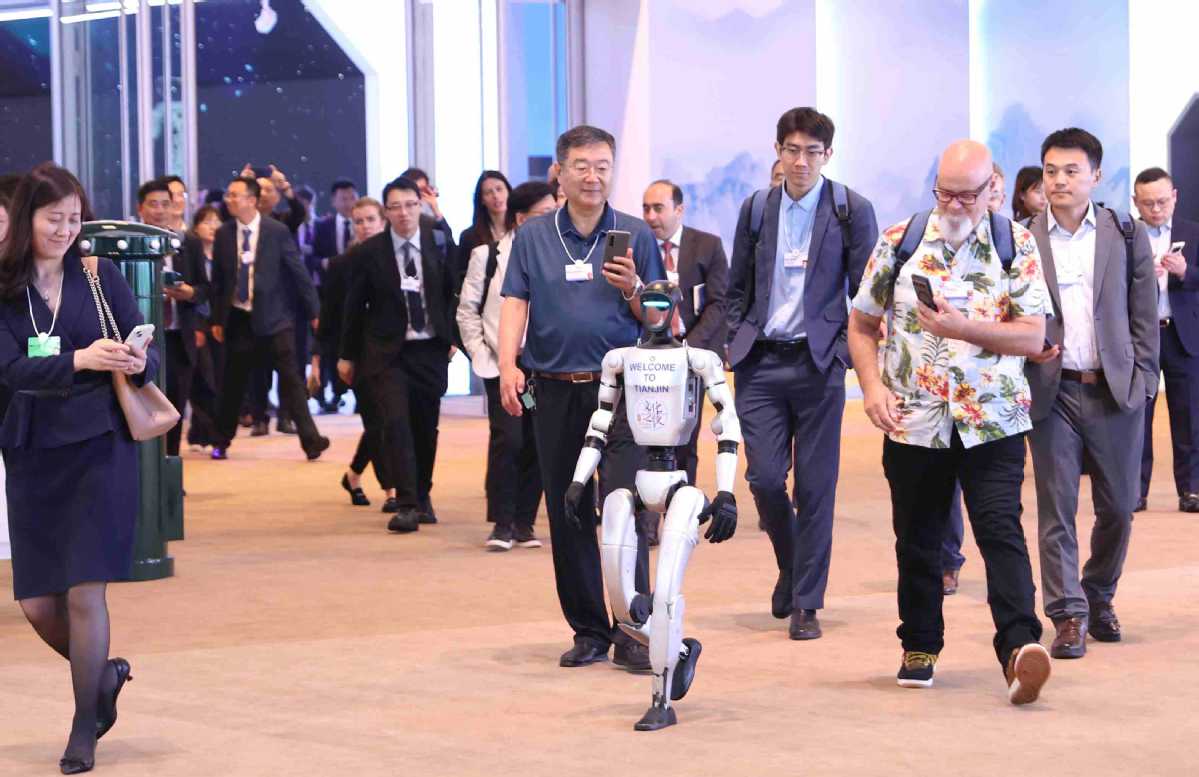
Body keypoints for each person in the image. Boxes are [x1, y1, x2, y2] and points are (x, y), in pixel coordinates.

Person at [847, 139, 1052, 704]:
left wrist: (964, 329)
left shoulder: (1016, 244)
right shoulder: (900, 241)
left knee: (1000, 531)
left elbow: (1032, 336)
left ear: (991, 190)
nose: (954, 205)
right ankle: (919, 645)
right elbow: (861, 324)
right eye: (945, 193)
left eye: (967, 195)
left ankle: (1019, 648)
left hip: (993, 419)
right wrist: (871, 388)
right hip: (914, 418)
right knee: (918, 538)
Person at [0, 163, 156, 772]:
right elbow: (10, 370)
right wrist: (80, 359)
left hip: (100, 444)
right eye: (53, 218)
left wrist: (135, 358)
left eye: (73, 218)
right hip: (33, 449)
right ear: (26, 219)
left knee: (87, 589)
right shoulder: (5, 287)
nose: (65, 230)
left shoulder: (99, 274)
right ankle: (104, 676)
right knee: (39, 603)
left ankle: (82, 726)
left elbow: (147, 362)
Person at [498, 124, 665, 670]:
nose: (593, 177)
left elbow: (660, 319)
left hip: (621, 390)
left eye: (603, 167)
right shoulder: (533, 236)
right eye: (582, 166)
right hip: (553, 388)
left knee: (624, 507)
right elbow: (515, 302)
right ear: (560, 173)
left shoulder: (634, 234)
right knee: (568, 508)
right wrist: (507, 365)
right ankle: (589, 629)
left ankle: (634, 627)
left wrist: (632, 288)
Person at [725, 107, 879, 641]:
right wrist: (736, 338)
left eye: (812, 152)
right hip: (761, 363)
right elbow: (736, 287)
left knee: (815, 488)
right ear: (778, 151)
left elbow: (867, 295)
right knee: (765, 479)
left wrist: (841, 352)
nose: (801, 161)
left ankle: (807, 602)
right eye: (792, 150)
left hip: (818, 365)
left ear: (827, 155)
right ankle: (791, 565)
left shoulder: (850, 210)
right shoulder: (756, 208)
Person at [567, 280, 740, 731]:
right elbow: (599, 424)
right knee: (624, 603)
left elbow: (727, 424)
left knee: (663, 595)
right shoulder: (620, 360)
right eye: (649, 305)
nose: (656, 312)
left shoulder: (698, 360)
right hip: (635, 481)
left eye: (663, 305)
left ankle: (661, 700)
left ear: (675, 307)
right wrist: (579, 481)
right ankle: (678, 649)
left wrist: (726, 492)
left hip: (679, 485)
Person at [1024, 128, 1158, 659]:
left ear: (1096, 176)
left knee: (1119, 507)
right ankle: (1068, 615)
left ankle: (1099, 593)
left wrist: (1145, 380)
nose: (1059, 180)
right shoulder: (1022, 238)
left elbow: (1144, 312)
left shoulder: (1124, 233)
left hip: (1115, 390)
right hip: (1051, 392)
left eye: (1071, 170)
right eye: (1050, 171)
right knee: (1056, 508)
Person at [339, 176, 457, 531]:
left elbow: (455, 291)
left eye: (410, 205)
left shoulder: (438, 241)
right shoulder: (370, 252)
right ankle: (406, 503)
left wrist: (454, 337)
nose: (404, 213)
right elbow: (353, 306)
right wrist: (347, 354)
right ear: (386, 212)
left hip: (430, 348)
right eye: (395, 207)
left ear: (419, 206)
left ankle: (423, 495)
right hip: (387, 352)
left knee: (426, 427)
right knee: (396, 423)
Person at [457, 181, 553, 550]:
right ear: (521, 218)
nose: (553, 220)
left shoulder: (554, 257)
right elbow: (467, 312)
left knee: (537, 440)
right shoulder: (488, 256)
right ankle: (501, 523)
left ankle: (524, 523)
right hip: (502, 365)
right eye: (544, 214)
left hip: (542, 368)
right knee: (508, 439)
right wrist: (482, 355)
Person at [208, 175, 329, 461]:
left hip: (276, 319)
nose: (229, 199)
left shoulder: (276, 231)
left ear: (252, 200)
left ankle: (311, 441)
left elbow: (298, 272)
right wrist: (216, 319)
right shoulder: (224, 233)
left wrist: (315, 312)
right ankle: (220, 441)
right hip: (239, 319)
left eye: (235, 195)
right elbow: (219, 282)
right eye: (228, 195)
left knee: (292, 381)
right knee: (233, 383)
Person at [642, 179, 728, 484]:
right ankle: (648, 510)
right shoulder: (639, 247)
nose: (650, 216)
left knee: (684, 437)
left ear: (679, 209)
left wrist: (689, 347)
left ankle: (682, 501)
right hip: (648, 357)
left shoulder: (707, 245)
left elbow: (719, 302)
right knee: (646, 434)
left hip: (692, 354)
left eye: (658, 208)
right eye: (646, 209)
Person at [1133, 167, 1199, 512]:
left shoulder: (1193, 232)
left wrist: (1185, 271)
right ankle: (1134, 491)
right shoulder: (1126, 235)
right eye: (1148, 203)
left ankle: (1192, 489)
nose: (1156, 209)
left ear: (1174, 197)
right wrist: (1142, 276)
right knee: (1137, 418)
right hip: (1141, 336)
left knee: (1189, 416)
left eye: (1161, 201)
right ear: (1136, 202)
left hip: (1182, 335)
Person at [316, 196, 389, 507]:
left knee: (389, 419)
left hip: (393, 350)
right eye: (359, 221)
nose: (365, 226)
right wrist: (320, 359)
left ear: (383, 221)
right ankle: (392, 490)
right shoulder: (341, 264)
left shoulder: (397, 257)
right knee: (377, 421)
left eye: (371, 219)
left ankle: (354, 475)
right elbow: (329, 315)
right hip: (357, 354)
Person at [137, 178, 208, 457]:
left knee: (175, 407)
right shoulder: (131, 243)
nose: (159, 210)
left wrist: (189, 293)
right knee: (143, 405)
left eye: (165, 204)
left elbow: (205, 289)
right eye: (153, 204)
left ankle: (169, 467)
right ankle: (145, 467)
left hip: (179, 337)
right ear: (141, 208)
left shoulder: (187, 243)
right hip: (144, 340)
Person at [312, 178, 361, 413]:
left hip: (360, 293)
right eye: (343, 198)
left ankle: (360, 396)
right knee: (333, 347)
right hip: (332, 293)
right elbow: (311, 257)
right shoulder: (323, 226)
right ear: (333, 201)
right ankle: (335, 392)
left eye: (352, 197)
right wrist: (324, 263)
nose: (348, 202)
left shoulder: (363, 224)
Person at [185, 205, 224, 450]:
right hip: (197, 323)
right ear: (196, 226)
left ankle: (198, 434)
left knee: (216, 379)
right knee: (203, 380)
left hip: (218, 324)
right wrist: (198, 326)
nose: (213, 226)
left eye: (216, 221)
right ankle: (209, 433)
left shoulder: (223, 254)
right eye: (207, 221)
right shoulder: (190, 252)